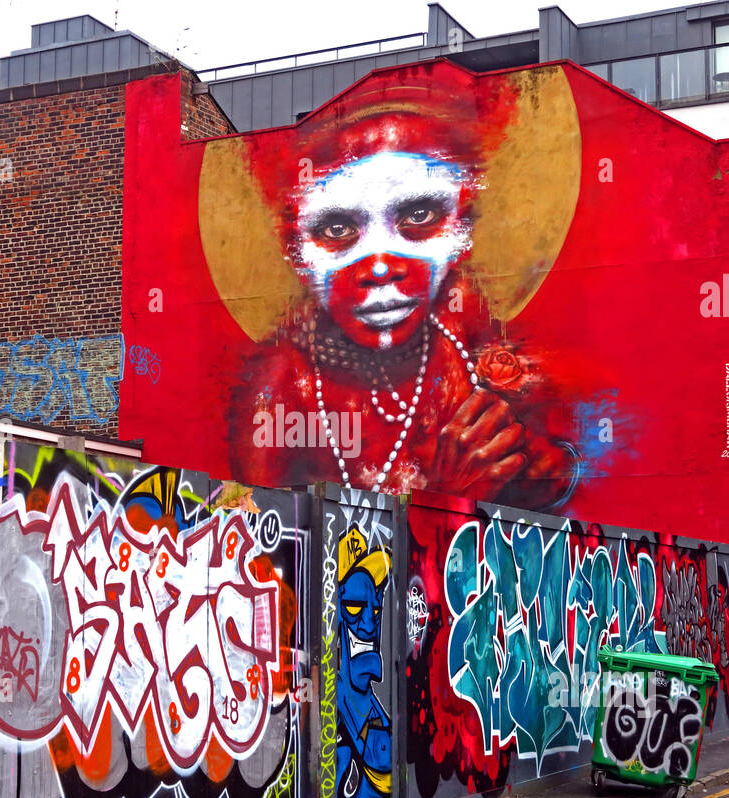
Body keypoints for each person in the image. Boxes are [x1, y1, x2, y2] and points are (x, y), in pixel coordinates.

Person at [227, 67, 580, 510]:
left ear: (463, 229)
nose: (380, 267)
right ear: (294, 250)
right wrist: (449, 498)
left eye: (418, 217)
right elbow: (265, 551)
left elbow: (556, 464)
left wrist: (538, 471)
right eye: (337, 227)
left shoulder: (468, 330)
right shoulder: (282, 388)